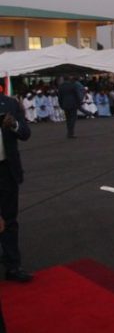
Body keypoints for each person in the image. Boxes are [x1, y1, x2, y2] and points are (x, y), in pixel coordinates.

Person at [0, 89, 33, 282]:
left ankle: (13, 265)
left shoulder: (10, 104)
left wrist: (13, 124)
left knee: (10, 219)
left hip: (6, 170)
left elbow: (26, 133)